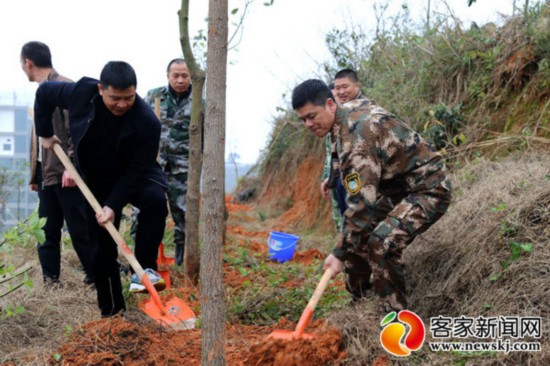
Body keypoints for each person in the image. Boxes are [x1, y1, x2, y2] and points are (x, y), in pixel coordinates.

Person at [292, 79, 452, 313]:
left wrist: (337, 253)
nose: (308, 124)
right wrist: (335, 177)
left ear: (330, 104)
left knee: (381, 242)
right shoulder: (341, 119)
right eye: (303, 119)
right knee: (353, 242)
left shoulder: (357, 136)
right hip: (396, 189)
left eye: (311, 116)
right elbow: (342, 158)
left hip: (428, 187)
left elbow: (362, 205)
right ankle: (361, 308)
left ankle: (395, 319)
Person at [34, 61, 168, 317]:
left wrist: (114, 204)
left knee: (155, 200)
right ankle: (112, 312)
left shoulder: (147, 122)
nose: (122, 104)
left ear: (135, 91)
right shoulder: (80, 92)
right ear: (100, 89)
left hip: (135, 173)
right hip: (96, 178)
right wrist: (45, 133)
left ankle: (144, 270)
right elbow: (43, 94)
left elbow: (136, 170)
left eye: (128, 97)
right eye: (115, 98)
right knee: (101, 247)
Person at [20, 41, 95, 286]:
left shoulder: (64, 87)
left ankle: (97, 276)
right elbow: (40, 139)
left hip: (66, 173)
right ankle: (51, 281)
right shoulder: (41, 91)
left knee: (79, 230)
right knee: (47, 231)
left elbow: (79, 131)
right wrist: (36, 176)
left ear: (27, 63)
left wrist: (71, 166)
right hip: (48, 175)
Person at [145, 58, 197, 266]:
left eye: (185, 75)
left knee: (183, 216)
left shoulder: (198, 102)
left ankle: (181, 262)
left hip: (183, 168)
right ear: (168, 76)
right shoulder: (153, 97)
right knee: (144, 213)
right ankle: (144, 262)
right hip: (154, 165)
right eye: (176, 75)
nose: (180, 80)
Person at [321, 69, 364, 231]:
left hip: (358, 177)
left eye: (344, 87)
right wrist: (330, 178)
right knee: (344, 213)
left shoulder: (362, 114)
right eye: (337, 90)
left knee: (356, 213)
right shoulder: (338, 122)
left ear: (356, 86)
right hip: (343, 179)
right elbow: (334, 156)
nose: (340, 93)